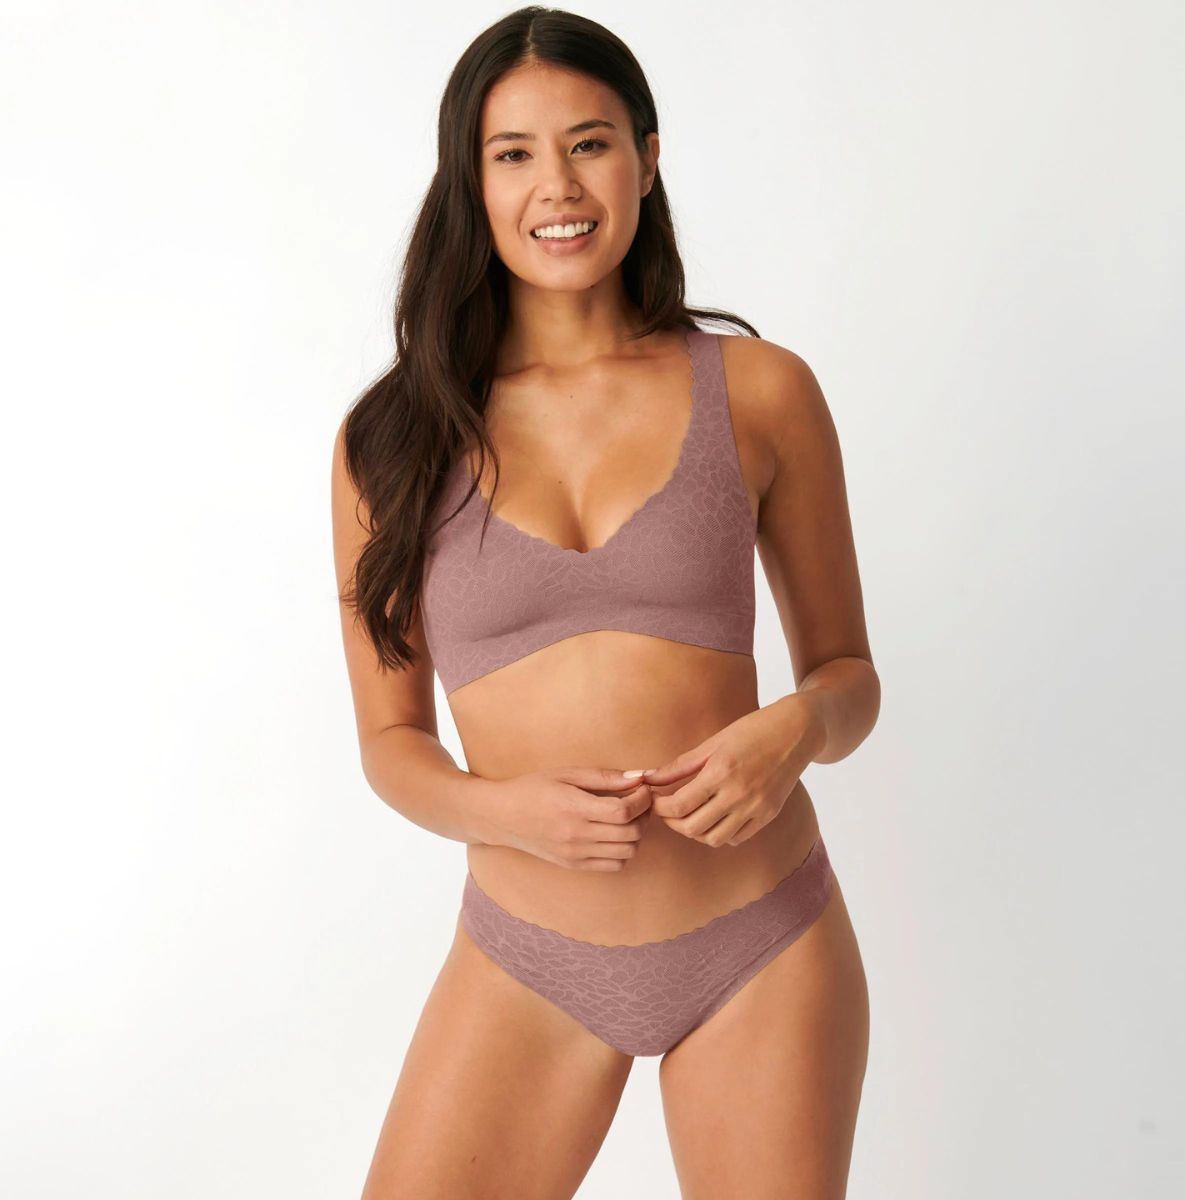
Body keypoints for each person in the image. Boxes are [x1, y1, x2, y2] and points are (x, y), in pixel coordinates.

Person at [331, 7, 878, 1197]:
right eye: (513, 153)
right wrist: (505, 812)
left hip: (763, 941)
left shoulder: (763, 392)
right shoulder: (393, 441)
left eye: (589, 143)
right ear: (471, 180)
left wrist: (792, 731)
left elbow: (849, 679)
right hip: (526, 959)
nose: (558, 186)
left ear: (647, 156)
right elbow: (389, 744)